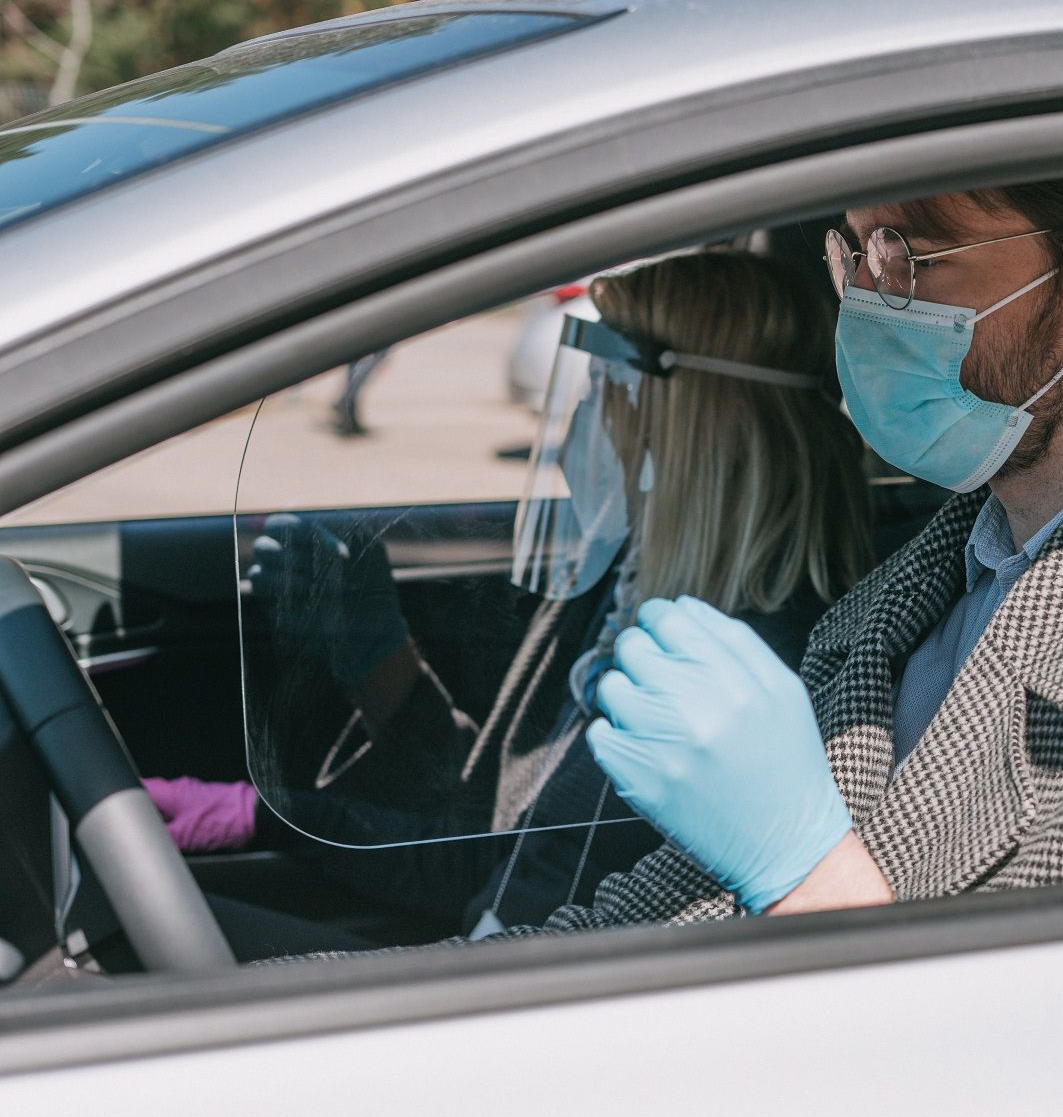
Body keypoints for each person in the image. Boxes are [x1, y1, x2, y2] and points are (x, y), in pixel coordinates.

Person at [446, 166, 1063, 939]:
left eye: (913, 256)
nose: (867, 300)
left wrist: (813, 881)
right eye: (855, 252)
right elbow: (619, 930)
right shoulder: (930, 584)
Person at [148, 252, 872, 949]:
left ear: (695, 427)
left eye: (607, 396)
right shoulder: (623, 596)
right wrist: (271, 811)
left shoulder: (759, 681)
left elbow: (571, 931)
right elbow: (492, 851)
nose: (581, 428)